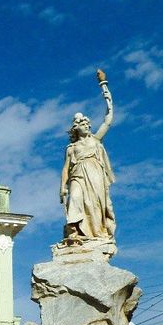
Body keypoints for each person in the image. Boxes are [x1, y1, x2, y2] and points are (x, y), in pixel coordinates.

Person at [60, 70, 117, 241]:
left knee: (96, 205)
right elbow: (66, 168)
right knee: (75, 198)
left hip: (95, 174)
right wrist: (62, 187)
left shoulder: (96, 139)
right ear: (76, 128)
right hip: (78, 175)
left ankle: (95, 234)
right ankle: (74, 231)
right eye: (82, 124)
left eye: (87, 124)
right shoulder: (72, 148)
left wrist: (104, 87)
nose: (86, 126)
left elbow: (108, 119)